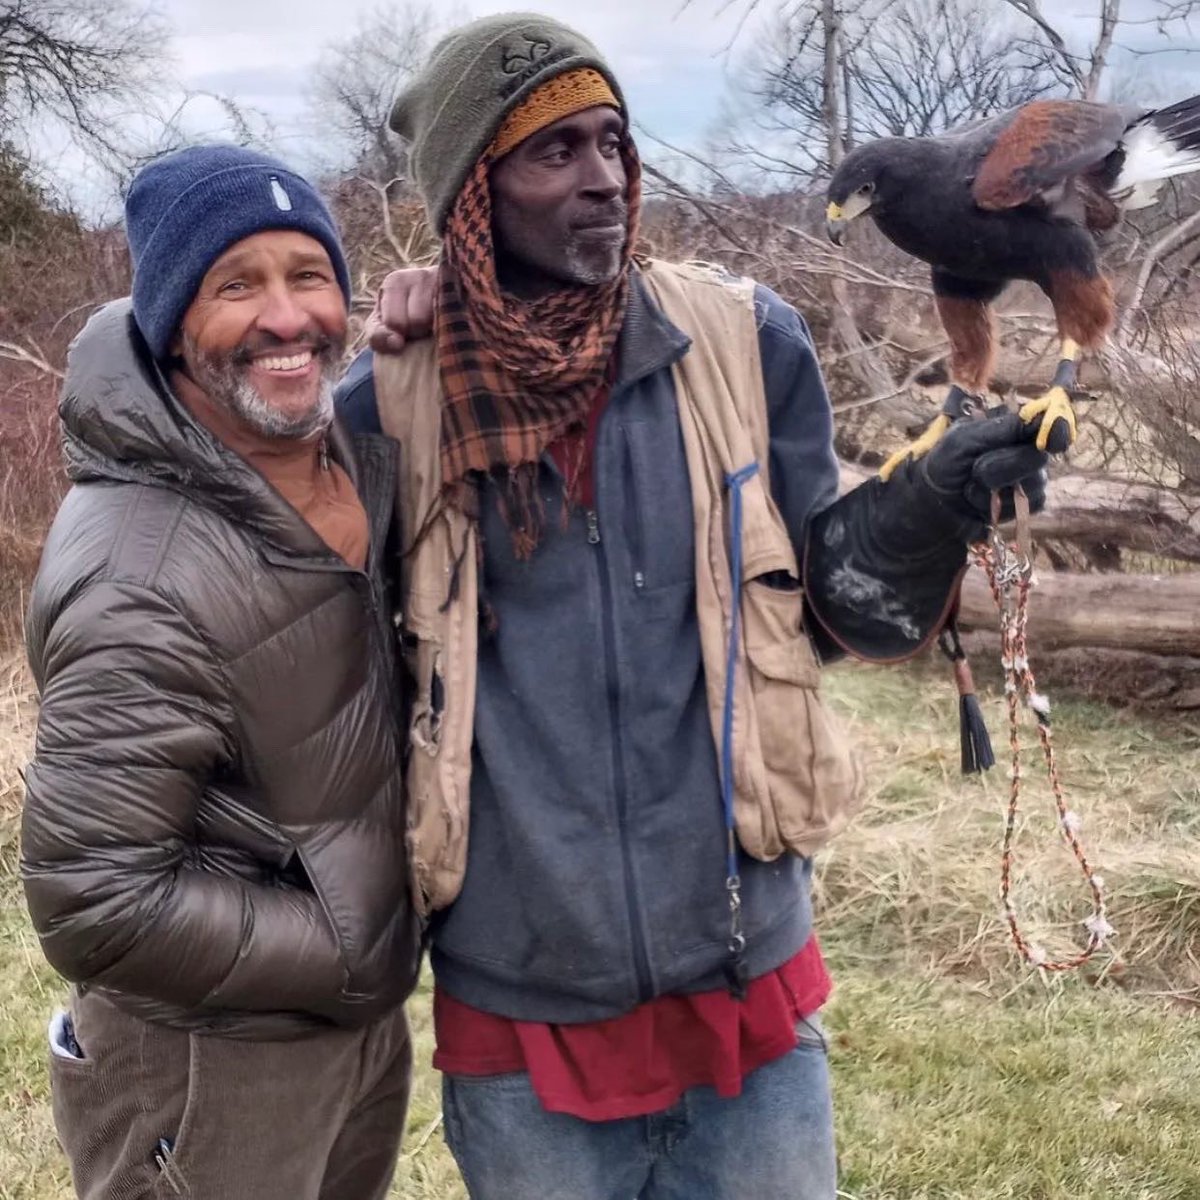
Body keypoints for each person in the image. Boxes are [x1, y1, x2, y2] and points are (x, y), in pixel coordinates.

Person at [337, 13, 1048, 1199]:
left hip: (745, 987)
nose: (604, 178)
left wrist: (922, 510)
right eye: (553, 152)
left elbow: (840, 613)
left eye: (613, 141)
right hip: (522, 1007)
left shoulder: (739, 342)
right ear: (474, 192)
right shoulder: (394, 406)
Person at [20, 144, 421, 1200]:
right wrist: (352, 945)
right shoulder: (139, 572)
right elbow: (93, 897)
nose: (287, 317)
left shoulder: (343, 465)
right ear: (170, 322)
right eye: (236, 284)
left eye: (309, 274)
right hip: (210, 1066)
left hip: (345, 1035)